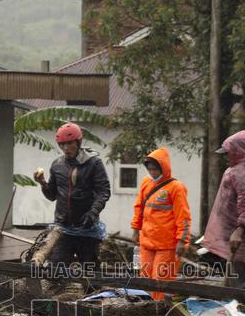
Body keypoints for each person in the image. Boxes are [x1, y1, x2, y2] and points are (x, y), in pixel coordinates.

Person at [34, 123, 111, 270]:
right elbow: (52, 196)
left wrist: (93, 213)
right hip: (63, 228)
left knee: (90, 273)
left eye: (70, 143)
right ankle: (57, 292)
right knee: (55, 270)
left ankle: (91, 291)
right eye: (62, 144)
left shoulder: (94, 163)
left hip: (87, 228)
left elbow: (104, 192)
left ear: (78, 142)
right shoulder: (57, 165)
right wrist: (43, 183)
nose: (66, 148)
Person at [200, 131, 245, 289]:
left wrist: (239, 230)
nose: (227, 157)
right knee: (232, 274)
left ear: (237, 152)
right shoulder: (238, 171)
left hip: (243, 235)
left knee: (238, 277)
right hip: (236, 233)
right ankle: (232, 303)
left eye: (229, 153)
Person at [129, 147, 191, 299]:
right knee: (145, 279)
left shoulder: (176, 188)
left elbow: (183, 216)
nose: (152, 173)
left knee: (161, 280)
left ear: (163, 168)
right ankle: (144, 307)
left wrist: (182, 241)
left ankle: (159, 311)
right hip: (147, 242)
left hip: (167, 245)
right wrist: (136, 229)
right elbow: (139, 207)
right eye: (149, 169)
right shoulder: (146, 183)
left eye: (155, 169)